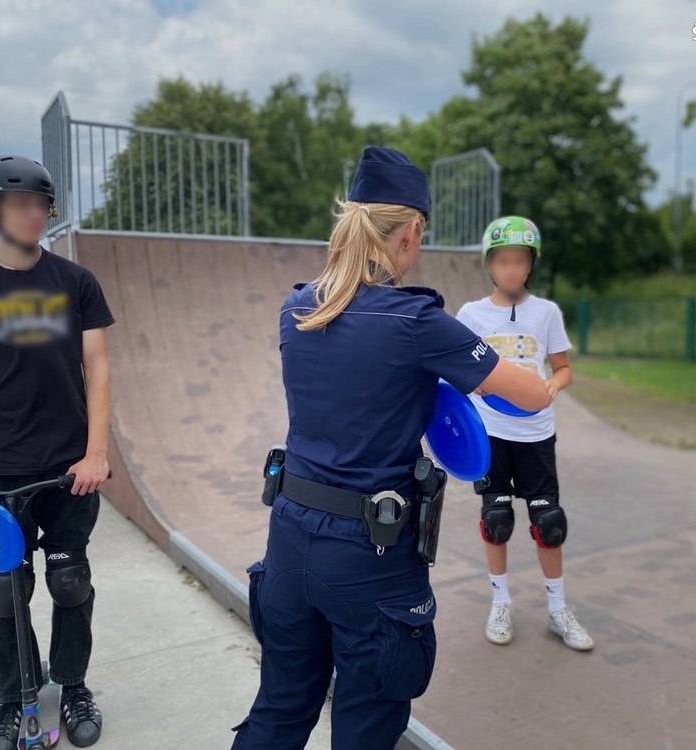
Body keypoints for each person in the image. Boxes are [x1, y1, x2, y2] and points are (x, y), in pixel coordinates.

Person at [230, 148, 551, 750]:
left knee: (277, 712)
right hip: (369, 558)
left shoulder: (296, 307)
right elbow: (531, 395)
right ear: (412, 232)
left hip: (289, 539)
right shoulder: (416, 322)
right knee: (367, 731)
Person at [0, 155, 114, 749]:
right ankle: (12, 698)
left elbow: (98, 366)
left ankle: (73, 683)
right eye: (16, 204)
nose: (31, 214)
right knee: (6, 592)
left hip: (70, 467)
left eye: (39, 204)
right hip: (1, 467)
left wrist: (95, 452)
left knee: (71, 581)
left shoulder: (75, 282)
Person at [455, 216, 593, 651]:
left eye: (519, 261)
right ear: (490, 265)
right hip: (491, 433)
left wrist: (553, 385)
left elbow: (564, 368)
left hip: (536, 435)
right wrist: (471, 382)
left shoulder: (546, 313)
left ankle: (557, 610)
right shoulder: (472, 315)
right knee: (496, 521)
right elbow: (457, 370)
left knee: (548, 522)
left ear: (530, 265)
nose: (511, 269)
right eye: (503, 261)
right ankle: (501, 602)